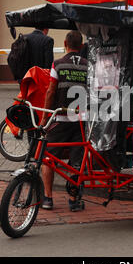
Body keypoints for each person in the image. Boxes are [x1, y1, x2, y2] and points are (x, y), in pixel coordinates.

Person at [39, 30, 88, 211]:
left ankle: (47, 198)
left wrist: (45, 119)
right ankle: (73, 200)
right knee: (76, 161)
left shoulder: (58, 64)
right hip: (81, 120)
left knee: (49, 158)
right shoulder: (87, 65)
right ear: (81, 46)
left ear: (65, 44)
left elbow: (51, 91)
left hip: (60, 119)